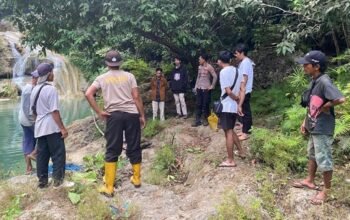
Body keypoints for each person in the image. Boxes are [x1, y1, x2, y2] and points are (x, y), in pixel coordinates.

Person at [85, 50, 145, 197]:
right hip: (131, 114)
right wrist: (142, 115)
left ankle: (109, 187)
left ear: (106, 63)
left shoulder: (101, 78)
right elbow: (136, 97)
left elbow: (88, 94)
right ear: (120, 62)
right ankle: (136, 179)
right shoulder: (130, 76)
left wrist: (99, 112)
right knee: (134, 145)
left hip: (114, 116)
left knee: (112, 149)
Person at [292, 50, 345, 205]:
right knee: (312, 154)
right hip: (314, 125)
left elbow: (340, 98)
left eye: (306, 65)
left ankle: (326, 191)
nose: (304, 67)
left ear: (317, 66)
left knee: (324, 158)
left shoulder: (324, 81)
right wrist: (305, 122)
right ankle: (309, 180)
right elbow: (311, 104)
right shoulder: (314, 80)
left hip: (323, 127)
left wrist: (328, 105)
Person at [30, 63, 68, 188]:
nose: (53, 74)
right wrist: (62, 128)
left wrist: (38, 125)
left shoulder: (34, 89)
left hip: (39, 127)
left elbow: (34, 112)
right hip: (52, 127)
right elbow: (54, 111)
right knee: (58, 154)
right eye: (52, 72)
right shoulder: (50, 89)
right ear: (49, 74)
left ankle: (42, 182)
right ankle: (58, 182)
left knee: (42, 156)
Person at [217, 51, 245, 167]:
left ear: (220, 61)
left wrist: (235, 98)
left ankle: (230, 160)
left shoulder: (223, 72)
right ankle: (241, 152)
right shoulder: (238, 71)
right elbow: (242, 89)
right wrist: (239, 103)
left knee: (228, 131)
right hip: (234, 107)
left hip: (226, 106)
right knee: (231, 129)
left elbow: (228, 91)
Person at [19, 70, 39, 174]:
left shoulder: (30, 88)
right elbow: (27, 108)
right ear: (35, 79)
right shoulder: (29, 90)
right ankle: (34, 154)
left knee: (27, 141)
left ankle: (29, 169)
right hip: (29, 121)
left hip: (24, 120)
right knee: (42, 137)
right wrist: (35, 122)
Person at [234, 43, 254, 141]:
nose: (235, 55)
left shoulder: (246, 62)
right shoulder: (243, 62)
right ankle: (244, 130)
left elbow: (244, 78)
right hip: (243, 91)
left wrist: (240, 91)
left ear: (242, 53)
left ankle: (246, 133)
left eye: (237, 53)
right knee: (244, 112)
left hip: (245, 91)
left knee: (245, 112)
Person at [192, 53, 217, 127]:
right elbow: (198, 77)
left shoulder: (209, 67)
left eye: (200, 59)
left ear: (204, 59)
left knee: (206, 104)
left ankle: (206, 119)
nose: (199, 60)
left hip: (206, 89)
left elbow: (215, 76)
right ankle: (197, 120)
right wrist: (196, 86)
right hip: (199, 88)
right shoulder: (199, 67)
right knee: (198, 104)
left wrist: (212, 85)